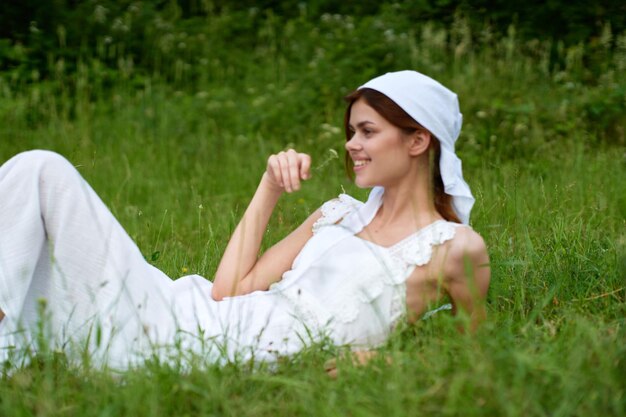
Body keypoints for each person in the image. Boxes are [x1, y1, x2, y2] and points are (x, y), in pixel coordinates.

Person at [0, 70, 490, 370]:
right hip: (194, 315)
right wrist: (269, 188)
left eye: (367, 131)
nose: (351, 145)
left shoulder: (454, 247)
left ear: (418, 140)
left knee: (42, 169)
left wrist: (379, 360)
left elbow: (475, 346)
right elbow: (227, 290)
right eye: (350, 132)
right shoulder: (336, 215)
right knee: (36, 173)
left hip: (213, 349)